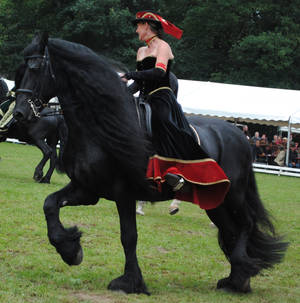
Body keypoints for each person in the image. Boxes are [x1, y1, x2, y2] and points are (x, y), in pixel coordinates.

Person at [120, 11, 229, 210]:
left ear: (147, 26)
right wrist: (123, 94)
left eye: (138, 26)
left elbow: (159, 72)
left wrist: (129, 73)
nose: (136, 30)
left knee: (162, 121)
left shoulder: (163, 46)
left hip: (162, 97)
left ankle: (176, 173)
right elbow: (139, 82)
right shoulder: (140, 51)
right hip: (144, 98)